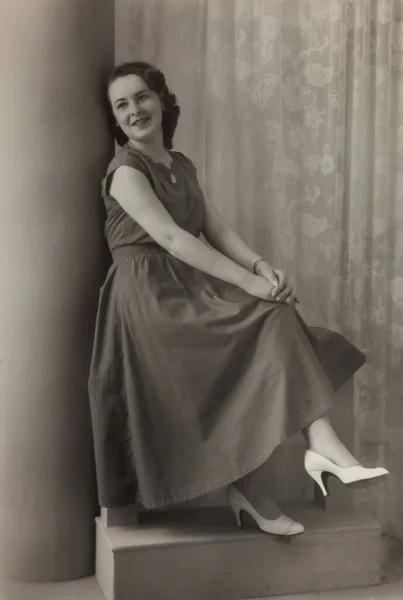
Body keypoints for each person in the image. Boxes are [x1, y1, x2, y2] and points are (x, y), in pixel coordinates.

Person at [88, 61, 388, 536]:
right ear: (115, 118)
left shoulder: (180, 164)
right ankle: (309, 455)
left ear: (162, 100)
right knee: (268, 317)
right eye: (121, 105)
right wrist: (248, 286)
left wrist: (259, 267)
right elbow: (173, 239)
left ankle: (305, 455)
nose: (134, 111)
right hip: (147, 301)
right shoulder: (125, 171)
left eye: (142, 97)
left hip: (185, 288)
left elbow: (216, 228)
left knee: (276, 311)